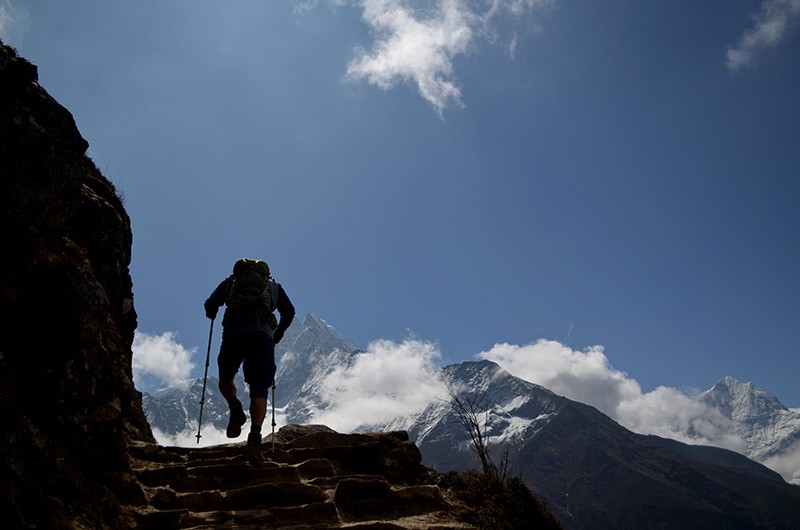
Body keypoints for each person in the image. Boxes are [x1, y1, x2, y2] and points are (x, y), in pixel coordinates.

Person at [204, 258, 295, 455]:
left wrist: (212, 311)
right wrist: (277, 335)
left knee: (225, 377)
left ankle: (235, 407)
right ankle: (254, 437)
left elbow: (210, 304)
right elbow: (289, 312)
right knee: (259, 388)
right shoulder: (273, 286)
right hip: (262, 337)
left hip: (233, 335)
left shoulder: (230, 283)